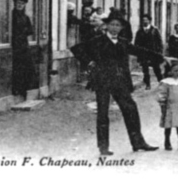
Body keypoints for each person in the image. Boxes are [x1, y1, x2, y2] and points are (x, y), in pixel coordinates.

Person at [70, 11, 164, 155]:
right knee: (102, 113)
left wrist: (163, 58)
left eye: (118, 25)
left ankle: (138, 142)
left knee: (131, 109)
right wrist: (90, 62)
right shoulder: (97, 40)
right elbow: (77, 49)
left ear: (121, 28)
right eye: (112, 25)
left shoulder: (123, 42)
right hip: (103, 81)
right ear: (106, 26)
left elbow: (141, 51)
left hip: (120, 82)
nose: (114, 28)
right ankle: (103, 147)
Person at [11, 0, 38, 98]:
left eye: (22, 4)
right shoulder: (12, 15)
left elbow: (30, 30)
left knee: (26, 68)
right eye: (18, 3)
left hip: (23, 45)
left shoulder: (25, 17)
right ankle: (16, 89)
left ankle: (23, 90)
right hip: (14, 45)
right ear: (15, 3)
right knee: (16, 68)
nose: (20, 5)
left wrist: (22, 32)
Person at [134, 15, 164, 89]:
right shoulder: (139, 31)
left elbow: (159, 42)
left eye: (146, 20)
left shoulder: (155, 30)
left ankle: (161, 83)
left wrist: (160, 52)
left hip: (154, 53)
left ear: (149, 21)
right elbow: (136, 43)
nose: (144, 21)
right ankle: (148, 84)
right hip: (144, 53)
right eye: (143, 20)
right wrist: (138, 53)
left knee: (156, 69)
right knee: (145, 70)